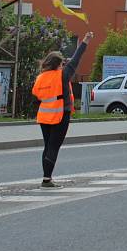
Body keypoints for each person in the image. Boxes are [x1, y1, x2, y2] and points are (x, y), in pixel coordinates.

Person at [32, 31, 93, 188]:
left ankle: (46, 177)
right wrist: (85, 40)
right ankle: (47, 179)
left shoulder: (41, 77)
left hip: (44, 116)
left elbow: (36, 95)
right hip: (60, 115)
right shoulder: (62, 75)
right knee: (54, 147)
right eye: (62, 64)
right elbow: (76, 58)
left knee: (47, 146)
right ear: (59, 64)